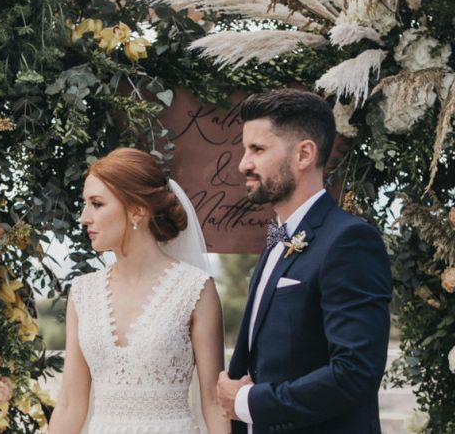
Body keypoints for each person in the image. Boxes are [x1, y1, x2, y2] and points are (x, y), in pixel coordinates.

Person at [216, 89, 392, 433]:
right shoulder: (277, 240)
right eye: (244, 149)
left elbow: (355, 374)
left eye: (258, 149)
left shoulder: (349, 241)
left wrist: (248, 403)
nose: (243, 164)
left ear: (304, 154)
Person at [49, 147, 230, 434]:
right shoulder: (83, 292)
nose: (84, 217)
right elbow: (71, 403)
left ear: (137, 209)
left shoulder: (195, 290)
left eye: (97, 204)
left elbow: (212, 401)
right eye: (85, 204)